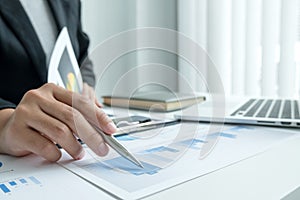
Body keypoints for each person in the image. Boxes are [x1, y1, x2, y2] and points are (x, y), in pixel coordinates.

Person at [0, 0, 117, 162]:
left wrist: (85, 85)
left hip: (63, 146)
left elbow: (81, 55)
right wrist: (5, 124)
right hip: (20, 157)